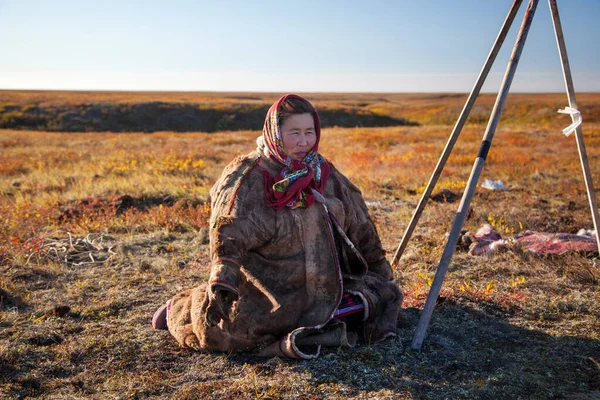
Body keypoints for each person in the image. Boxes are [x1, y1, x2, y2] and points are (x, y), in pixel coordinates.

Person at [152, 94, 402, 359]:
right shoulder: (247, 176)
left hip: (323, 282)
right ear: (275, 132)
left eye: (309, 132)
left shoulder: (323, 172)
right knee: (232, 330)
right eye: (294, 133)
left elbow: (359, 221)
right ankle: (179, 306)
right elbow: (228, 231)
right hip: (267, 287)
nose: (304, 142)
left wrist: (378, 267)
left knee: (379, 299)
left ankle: (315, 318)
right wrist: (224, 279)